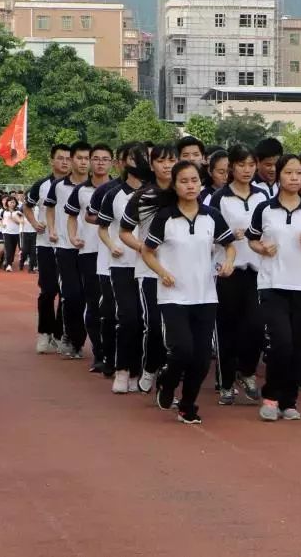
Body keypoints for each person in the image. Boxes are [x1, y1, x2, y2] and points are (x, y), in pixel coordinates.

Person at [140, 161, 236, 424]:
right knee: (182, 350)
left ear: (201, 183)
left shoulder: (212, 216)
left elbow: (229, 246)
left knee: (202, 359)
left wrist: (228, 263)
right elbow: (147, 251)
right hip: (173, 297)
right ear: (174, 185)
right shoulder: (165, 218)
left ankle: (187, 406)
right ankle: (167, 384)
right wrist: (162, 272)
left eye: (194, 180)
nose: (190, 185)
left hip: (205, 296)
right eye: (184, 181)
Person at [248, 154, 301, 421]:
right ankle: (271, 397)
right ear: (280, 176)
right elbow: (252, 240)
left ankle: (289, 401)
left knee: (298, 347)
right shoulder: (265, 209)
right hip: (273, 284)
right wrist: (262, 247)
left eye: (299, 173)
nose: (295, 178)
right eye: (289, 173)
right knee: (281, 343)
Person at [209, 144, 271, 405]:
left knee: (256, 327)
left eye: (250, 165)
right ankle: (224, 383)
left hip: (257, 270)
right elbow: (208, 231)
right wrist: (227, 237)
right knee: (227, 329)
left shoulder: (263, 194)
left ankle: (246, 372)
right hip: (228, 271)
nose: (247, 170)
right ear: (231, 167)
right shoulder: (219, 198)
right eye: (241, 165)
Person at [119, 144, 178, 393]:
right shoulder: (142, 196)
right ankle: (149, 366)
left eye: (171, 160)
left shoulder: (186, 194)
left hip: (180, 271)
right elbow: (124, 232)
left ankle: (167, 375)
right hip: (150, 271)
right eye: (161, 161)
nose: (167, 166)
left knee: (174, 330)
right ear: (152, 165)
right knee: (154, 324)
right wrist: (143, 247)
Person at [98, 149, 149, 394]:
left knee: (144, 320)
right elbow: (103, 228)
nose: (138, 162)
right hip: (122, 264)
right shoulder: (113, 194)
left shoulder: (155, 192)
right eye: (132, 158)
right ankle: (122, 369)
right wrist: (112, 246)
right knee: (127, 318)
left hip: (150, 266)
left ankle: (139, 370)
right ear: (122, 162)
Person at [65, 143, 114, 372]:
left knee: (114, 306)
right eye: (96, 158)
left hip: (115, 253)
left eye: (105, 159)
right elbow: (72, 216)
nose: (100, 162)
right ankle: (99, 352)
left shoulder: (119, 189)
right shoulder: (81, 190)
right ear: (90, 162)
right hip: (89, 252)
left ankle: (115, 352)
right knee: (93, 303)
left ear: (112, 162)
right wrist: (73, 237)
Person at [45, 141, 92, 358]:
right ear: (72, 160)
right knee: (71, 296)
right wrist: (52, 230)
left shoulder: (99, 187)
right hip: (65, 246)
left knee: (89, 297)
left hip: (91, 248)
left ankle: (80, 341)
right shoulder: (58, 186)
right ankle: (72, 338)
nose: (84, 162)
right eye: (79, 158)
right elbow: (50, 209)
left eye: (87, 158)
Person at [26, 145, 71, 353]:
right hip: (45, 244)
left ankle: (60, 334)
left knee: (67, 292)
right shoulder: (41, 185)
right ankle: (44, 333)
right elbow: (26, 206)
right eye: (60, 158)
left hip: (69, 245)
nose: (64, 162)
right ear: (51, 161)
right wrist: (35, 223)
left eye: (67, 158)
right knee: (48, 290)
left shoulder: (76, 185)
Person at [2, 195, 21, 272]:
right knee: (8, 249)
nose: (12, 204)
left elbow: (21, 221)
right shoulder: (4, 211)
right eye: (10, 202)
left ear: (16, 203)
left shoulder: (18, 212)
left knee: (13, 249)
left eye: (13, 202)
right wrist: (1, 224)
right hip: (7, 232)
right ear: (7, 203)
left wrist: (14, 219)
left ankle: (9, 261)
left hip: (16, 233)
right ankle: (8, 265)